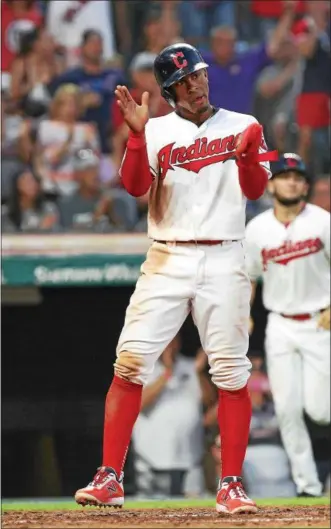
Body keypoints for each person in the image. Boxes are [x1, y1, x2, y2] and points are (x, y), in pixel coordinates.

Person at [74, 42, 277, 515]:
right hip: (167, 255)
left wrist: (248, 158)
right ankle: (110, 477)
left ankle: (230, 484)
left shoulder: (244, 124)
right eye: (185, 80)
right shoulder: (158, 129)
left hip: (225, 255)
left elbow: (255, 189)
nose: (197, 83)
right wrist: (137, 137)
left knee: (230, 372)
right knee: (130, 364)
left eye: (200, 74)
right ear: (168, 91)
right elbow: (135, 187)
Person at [245, 153, 330, 497]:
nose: (291, 181)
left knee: (320, 411)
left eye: (297, 177)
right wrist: (243, 314)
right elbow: (248, 276)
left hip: (320, 322)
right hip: (279, 324)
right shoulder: (256, 229)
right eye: (284, 176)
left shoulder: (323, 222)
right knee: (286, 409)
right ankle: (307, 486)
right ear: (271, 184)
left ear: (306, 185)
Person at [132, 336, 213, 498]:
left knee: (194, 512)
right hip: (152, 458)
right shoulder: (142, 367)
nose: (170, 346)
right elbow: (138, 404)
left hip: (190, 458)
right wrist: (168, 372)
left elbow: (210, 401)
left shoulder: (191, 366)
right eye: (166, 341)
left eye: (174, 340)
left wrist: (199, 372)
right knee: (152, 513)